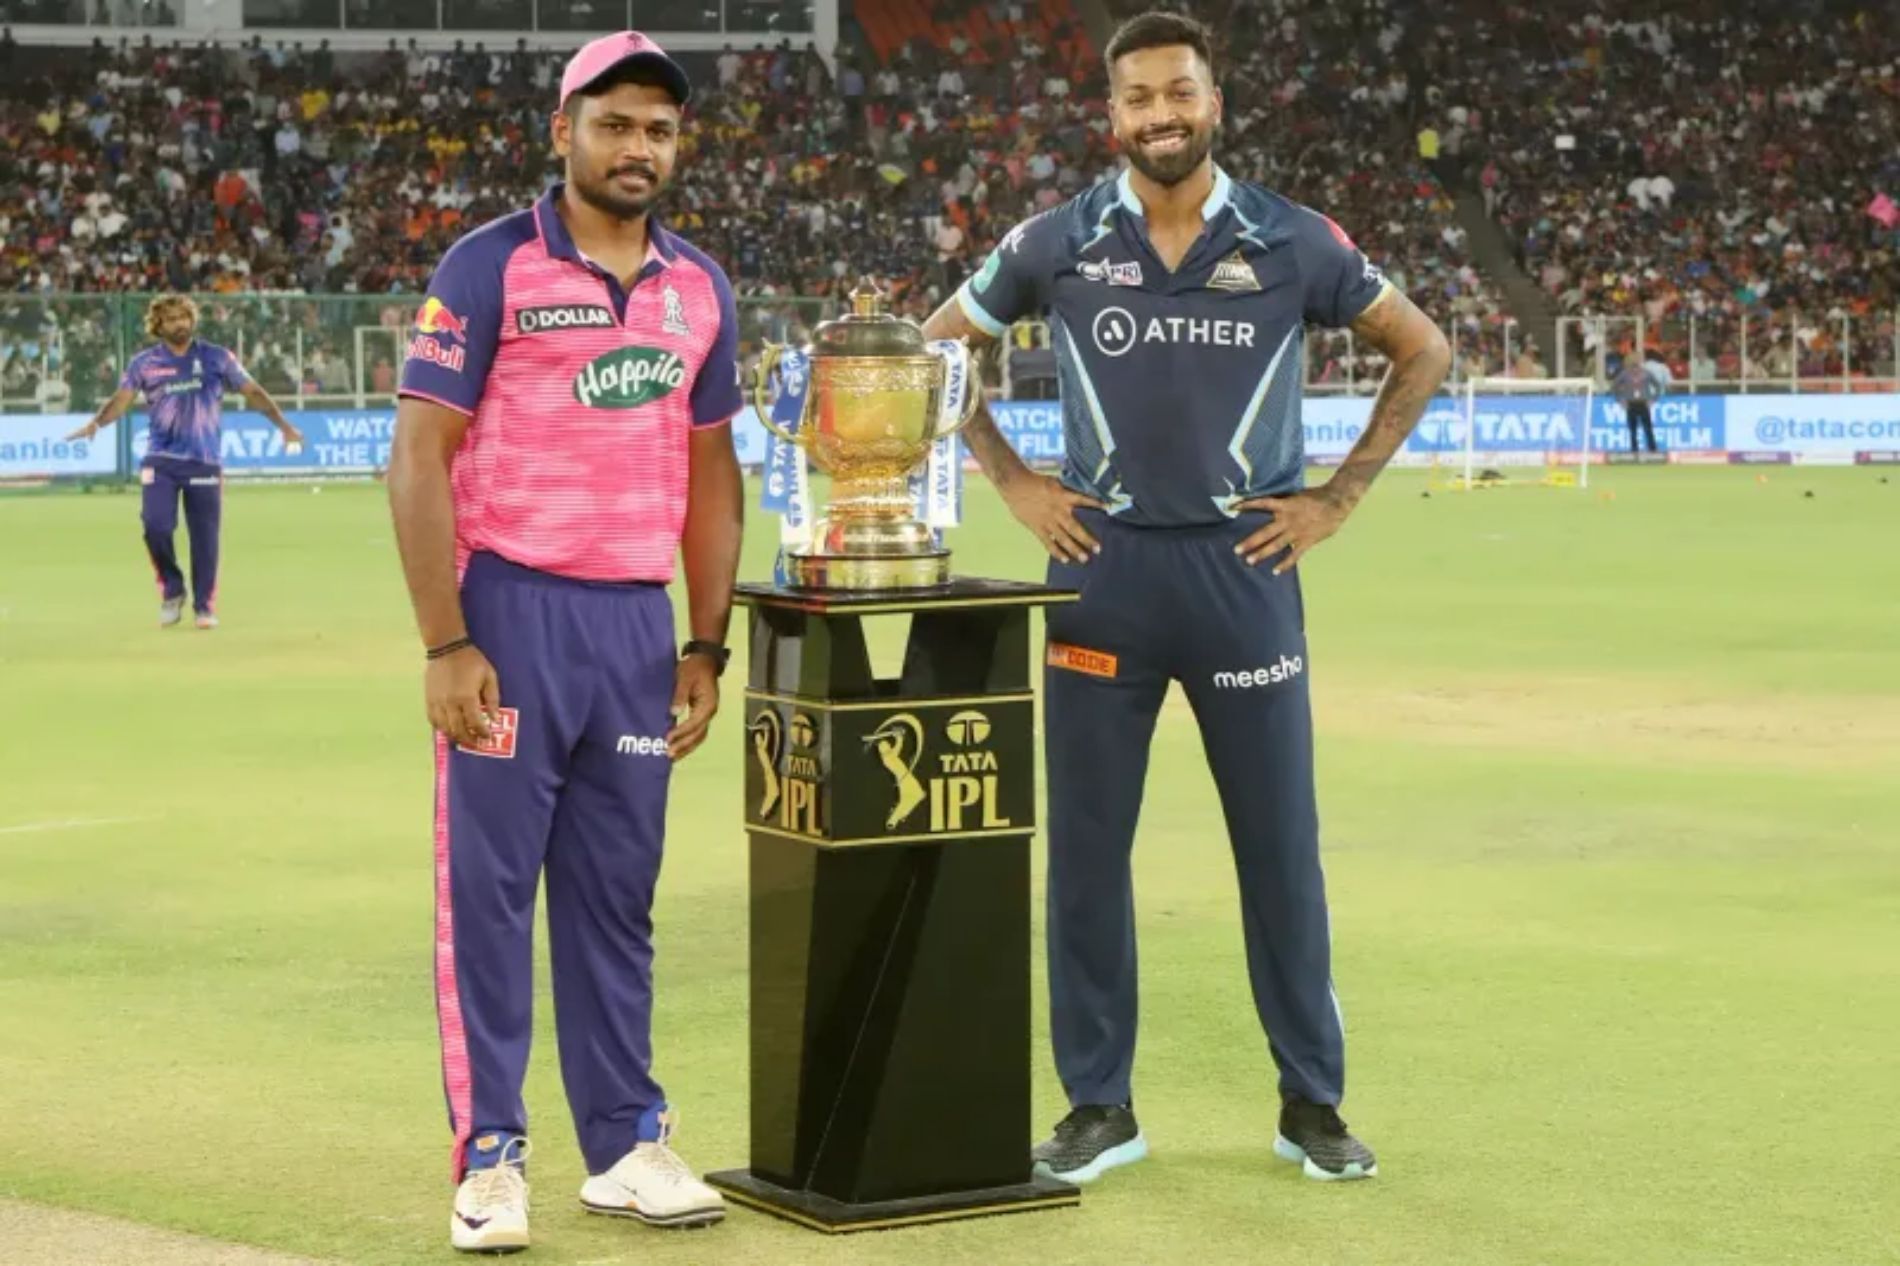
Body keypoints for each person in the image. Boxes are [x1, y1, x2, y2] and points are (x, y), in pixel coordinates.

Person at [921, 10, 1450, 1187]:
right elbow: (932, 350)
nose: (1159, 116)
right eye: (1137, 100)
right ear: (1108, 118)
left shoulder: (1293, 240)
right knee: (1088, 857)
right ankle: (1098, 1109)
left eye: (1179, 94)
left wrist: (1336, 500)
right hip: (1099, 576)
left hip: (1244, 573)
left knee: (1279, 850)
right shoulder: (1055, 240)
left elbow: (1422, 347)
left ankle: (1310, 1106)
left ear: (1214, 102)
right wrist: (1010, 483)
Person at [385, 31, 745, 1254]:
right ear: (564, 131)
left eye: (657, 128)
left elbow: (713, 475)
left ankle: (626, 1143)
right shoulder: (487, 267)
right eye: (613, 124)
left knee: (614, 897)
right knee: (488, 897)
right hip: (513, 614)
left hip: (634, 629)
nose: (637, 147)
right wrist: (447, 641)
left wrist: (704, 642)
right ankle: (490, 1158)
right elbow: (419, 455)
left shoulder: (699, 286)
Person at [65, 295, 302, 629]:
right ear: (158, 325)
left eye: (184, 317)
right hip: (161, 459)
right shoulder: (144, 363)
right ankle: (172, 588)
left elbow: (254, 392)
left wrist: (285, 427)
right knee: (156, 526)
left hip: (204, 460)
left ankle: (204, 607)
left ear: (192, 320)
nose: (179, 324)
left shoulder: (216, 357)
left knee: (205, 538)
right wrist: (96, 423)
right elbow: (121, 400)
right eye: (171, 319)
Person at [1613, 354, 1660, 452]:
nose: (1635, 365)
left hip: (1643, 403)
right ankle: (1634, 449)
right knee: (1632, 429)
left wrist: (1653, 399)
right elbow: (1615, 387)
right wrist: (1620, 400)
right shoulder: (1625, 374)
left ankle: (1653, 449)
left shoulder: (1646, 373)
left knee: (1648, 428)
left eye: (1637, 362)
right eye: (1633, 362)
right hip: (1631, 403)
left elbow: (1657, 386)